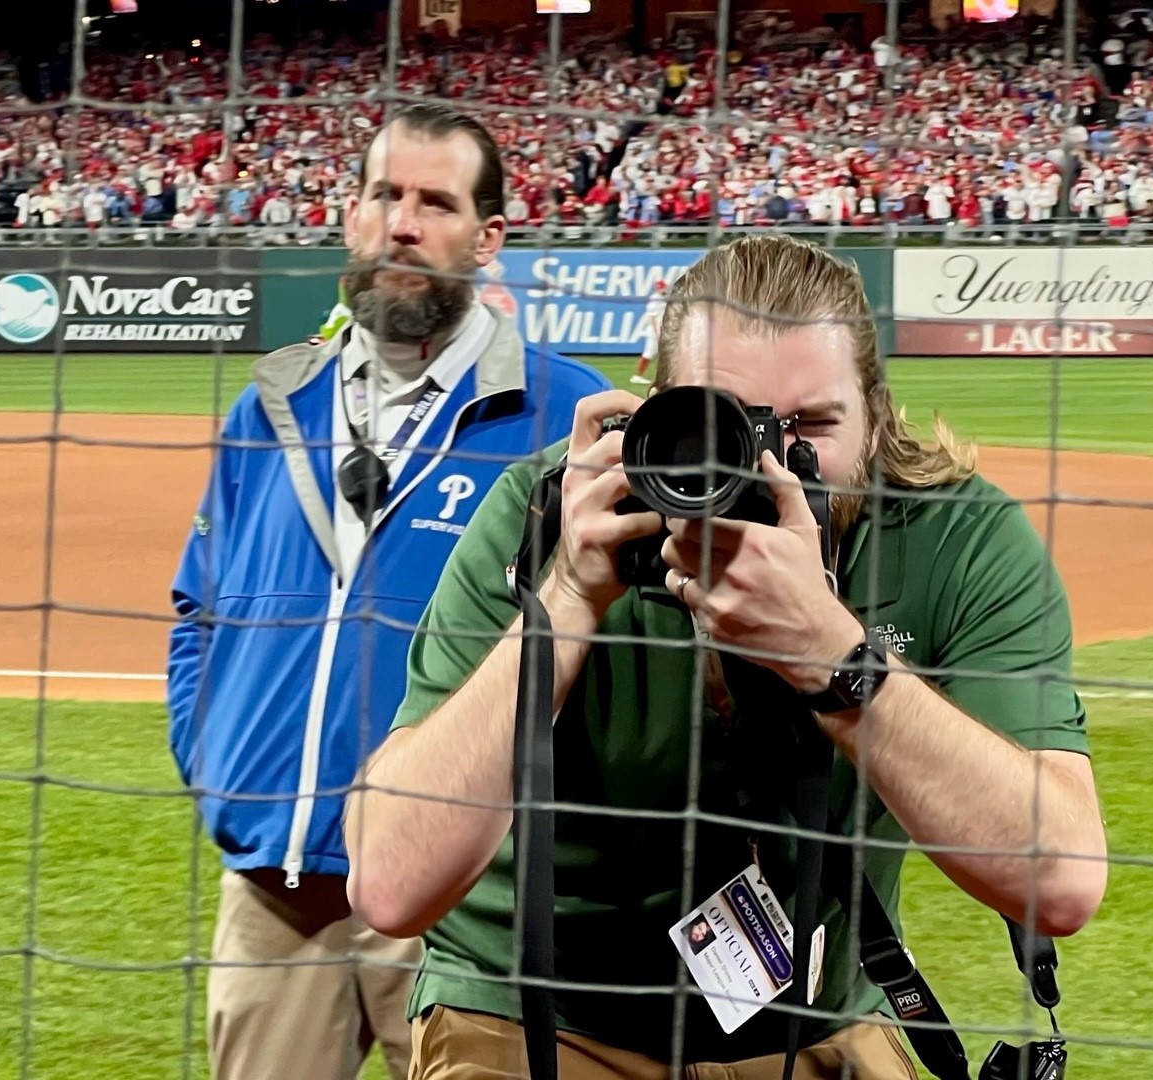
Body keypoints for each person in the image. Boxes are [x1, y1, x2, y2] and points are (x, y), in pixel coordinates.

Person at [345, 234, 1109, 1078]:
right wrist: (565, 600)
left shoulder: (955, 535)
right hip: (539, 1005)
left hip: (814, 1014)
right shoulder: (557, 512)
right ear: (654, 410)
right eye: (728, 424)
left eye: (813, 425)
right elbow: (390, 883)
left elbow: (1062, 881)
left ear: (878, 412)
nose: (771, 463)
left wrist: (832, 654)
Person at [166, 101, 610, 1080]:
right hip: (277, 898)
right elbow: (198, 610)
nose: (404, 222)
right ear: (353, 214)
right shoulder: (274, 402)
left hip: (471, 913)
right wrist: (221, 775)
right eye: (385, 194)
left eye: (437, 203)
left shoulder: (566, 416)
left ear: (489, 238)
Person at [631, 278, 667, 385]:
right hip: (654, 331)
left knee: (660, 354)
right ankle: (637, 375)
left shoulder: (661, 298)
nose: (664, 289)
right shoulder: (655, 299)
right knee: (649, 353)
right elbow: (652, 317)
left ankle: (661, 376)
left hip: (659, 330)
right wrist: (657, 332)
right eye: (663, 287)